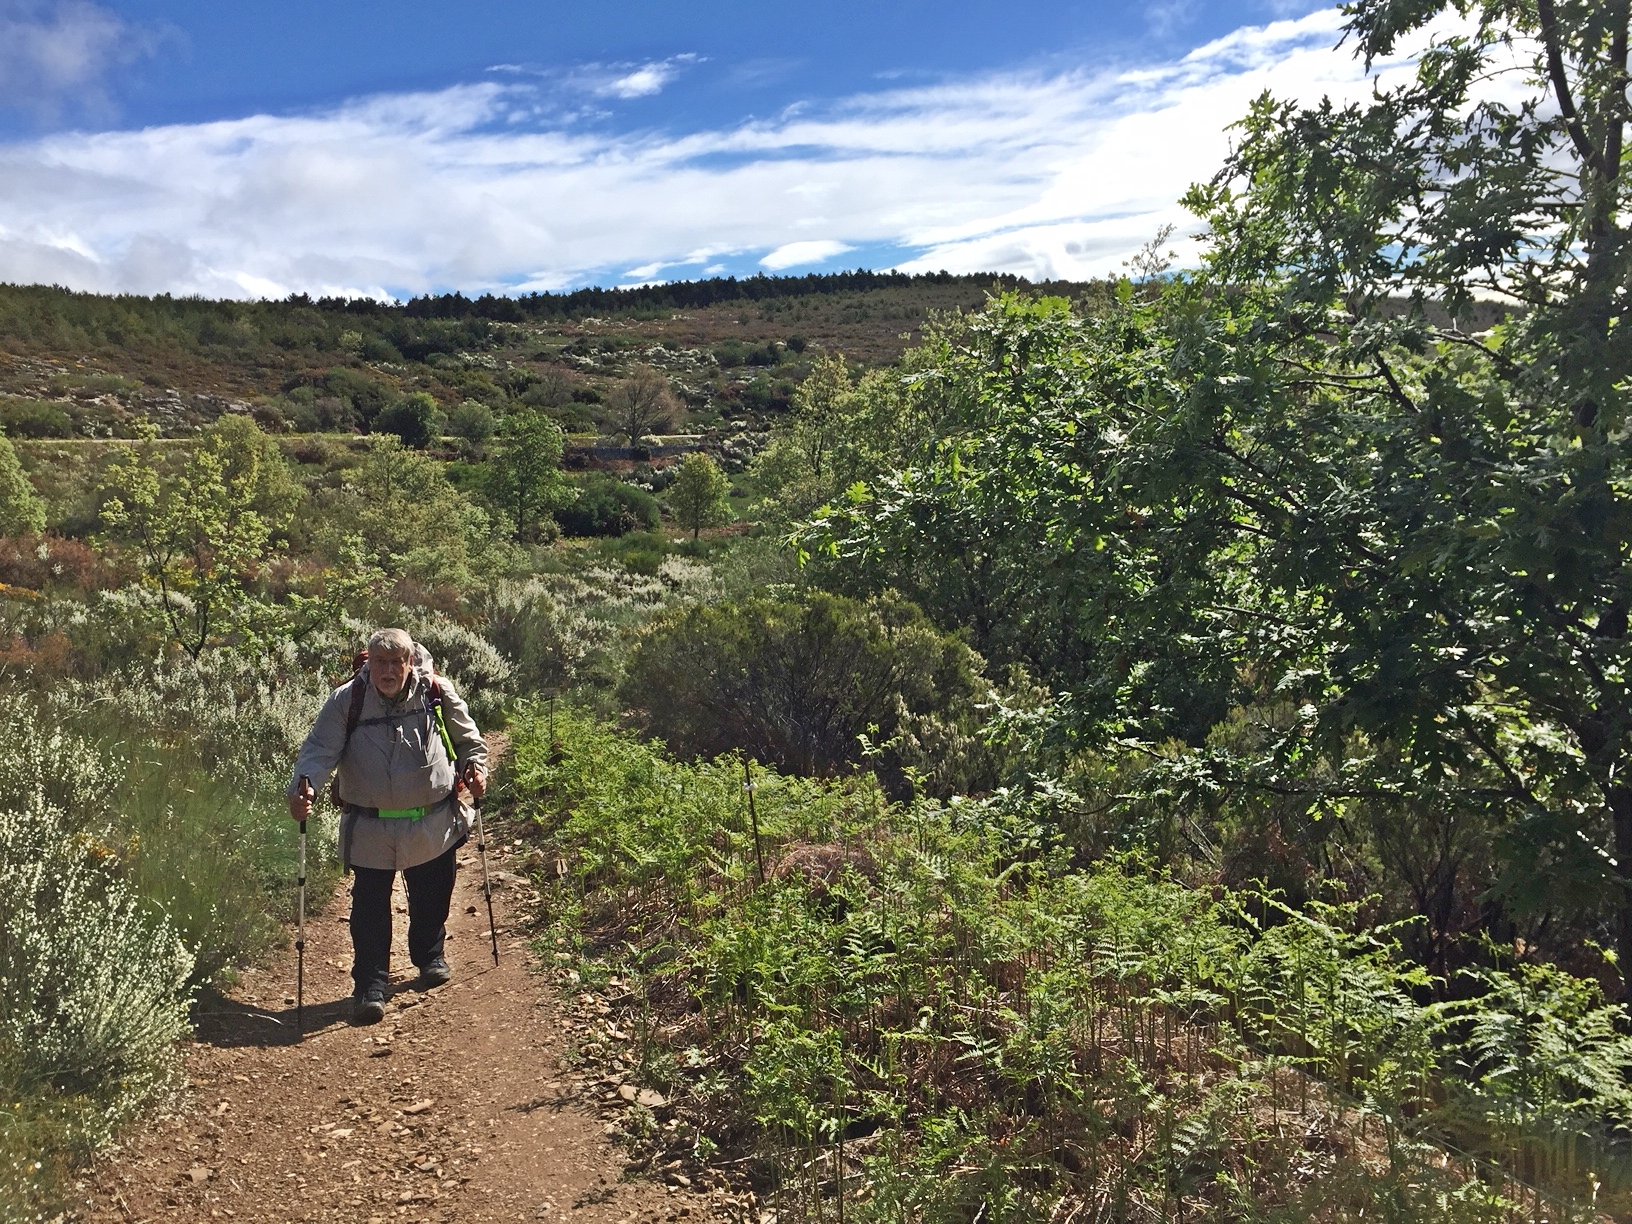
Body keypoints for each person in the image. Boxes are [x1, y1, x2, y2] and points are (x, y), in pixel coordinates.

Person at [288, 627, 488, 1024]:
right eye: (381, 662)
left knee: (433, 891)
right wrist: (303, 788)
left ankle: (430, 955)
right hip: (370, 826)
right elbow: (318, 750)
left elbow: (469, 740)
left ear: (409, 661)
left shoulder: (436, 691)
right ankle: (370, 985)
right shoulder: (348, 700)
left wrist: (475, 768)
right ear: (370, 664)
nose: (389, 670)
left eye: (397, 661)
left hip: (431, 821)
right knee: (370, 908)